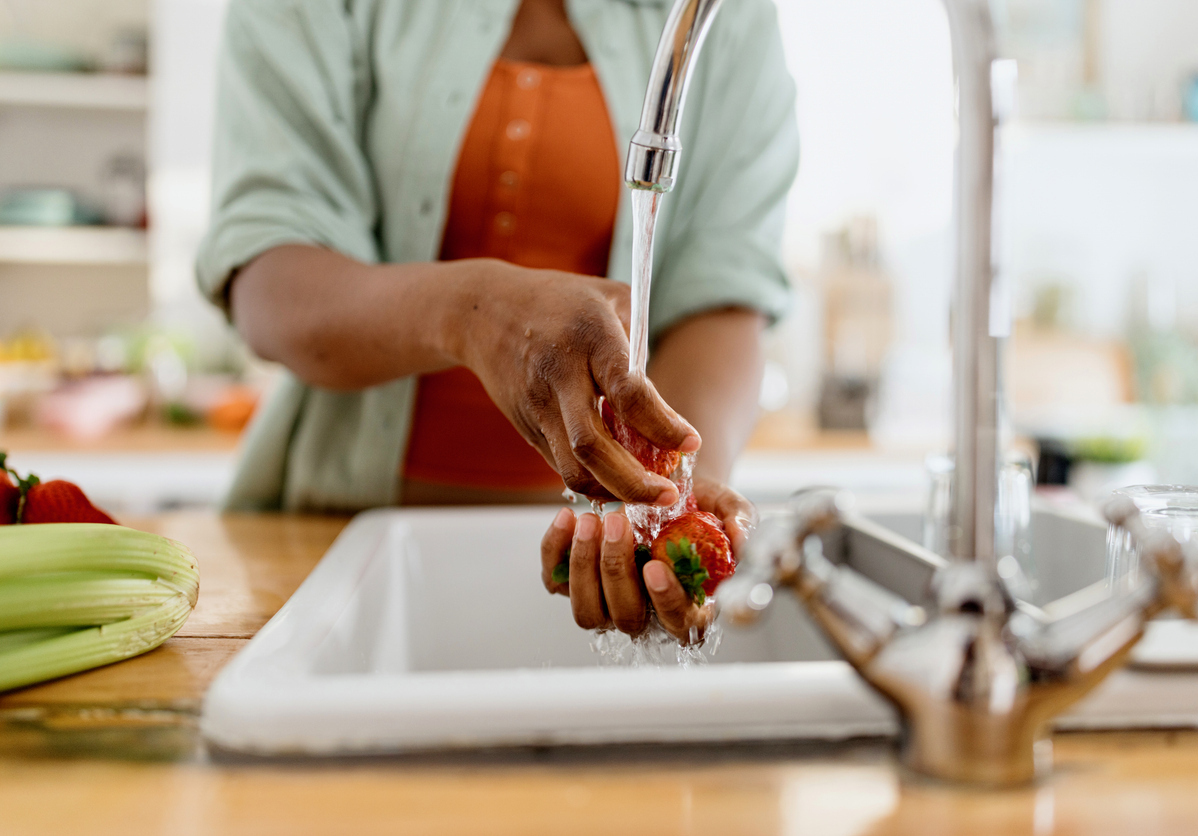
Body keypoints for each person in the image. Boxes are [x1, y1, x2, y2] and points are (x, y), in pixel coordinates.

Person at [196, 0, 798, 642]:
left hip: (593, 558)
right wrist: (476, 313)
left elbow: (723, 290)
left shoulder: (724, 14)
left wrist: (673, 497)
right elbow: (272, 283)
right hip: (334, 553)